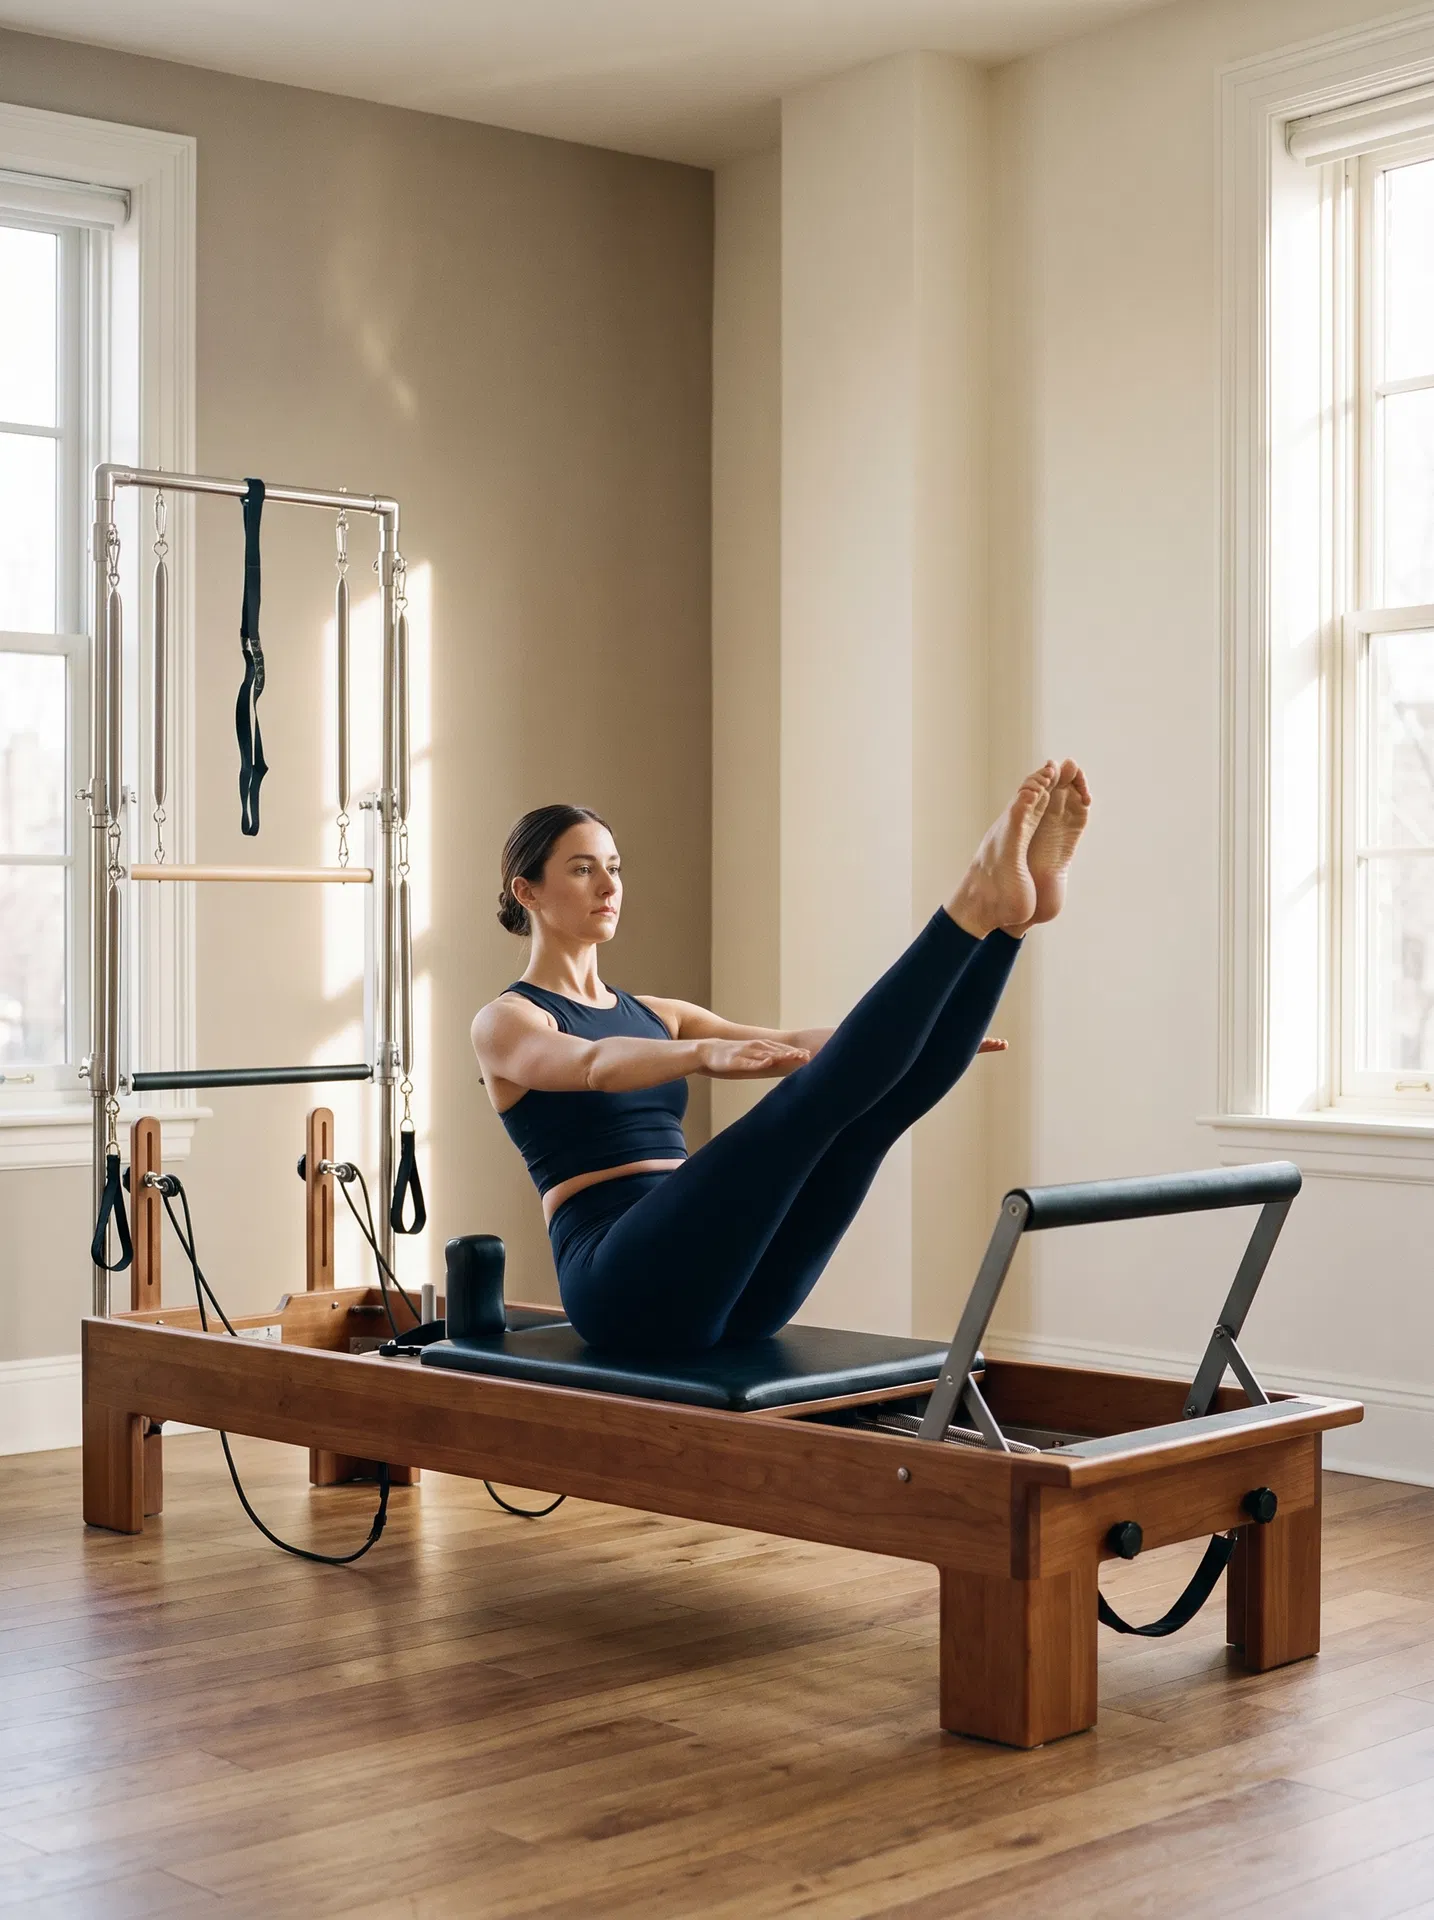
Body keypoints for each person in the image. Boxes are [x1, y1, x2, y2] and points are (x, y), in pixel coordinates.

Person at [471, 761, 1091, 1355]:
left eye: (614, 867)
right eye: (583, 870)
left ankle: (1008, 929)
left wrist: (926, 1034)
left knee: (875, 1111)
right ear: (527, 890)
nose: (609, 887)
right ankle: (973, 907)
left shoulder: (661, 1013)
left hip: (736, 1287)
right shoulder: (508, 1020)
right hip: (619, 1283)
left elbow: (797, 1044)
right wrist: (703, 1053)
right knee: (809, 1108)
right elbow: (594, 1065)